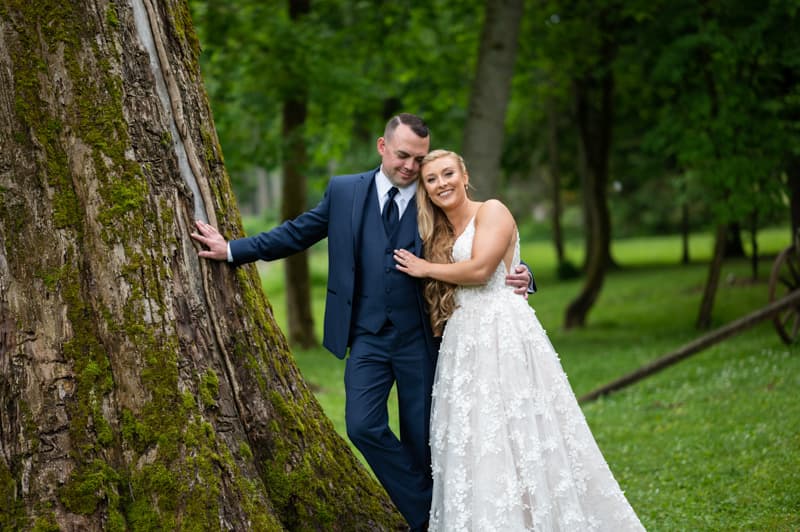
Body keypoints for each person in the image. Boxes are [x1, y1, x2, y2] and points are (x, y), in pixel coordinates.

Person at [190, 115, 533, 531]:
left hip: (422, 339)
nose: (410, 166)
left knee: (422, 439)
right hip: (366, 337)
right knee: (363, 425)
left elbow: (478, 240)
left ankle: (428, 524)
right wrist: (232, 249)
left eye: (418, 159)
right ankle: (430, 513)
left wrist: (522, 272)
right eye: (403, 155)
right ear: (382, 146)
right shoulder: (345, 190)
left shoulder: (432, 198)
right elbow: (298, 232)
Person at [394, 149, 645, 531]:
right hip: (463, 341)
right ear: (425, 190)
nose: (441, 183)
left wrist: (424, 268)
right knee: (476, 436)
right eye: (432, 180)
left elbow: (480, 270)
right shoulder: (438, 232)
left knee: (520, 429)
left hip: (502, 332)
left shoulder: (492, 210)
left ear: (464, 174)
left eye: (447, 174)